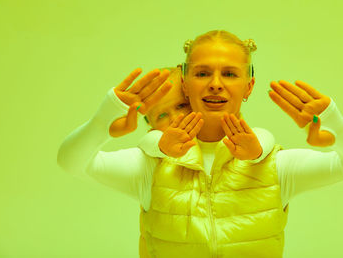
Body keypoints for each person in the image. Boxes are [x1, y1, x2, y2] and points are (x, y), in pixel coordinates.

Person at [135, 30, 343, 258]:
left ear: (248, 86)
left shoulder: (275, 163)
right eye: (202, 73)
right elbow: (117, 153)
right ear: (188, 87)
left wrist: (336, 127)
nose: (216, 84)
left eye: (229, 73)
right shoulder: (151, 166)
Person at [56, 65, 276, 256]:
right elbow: (70, 162)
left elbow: (266, 141)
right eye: (161, 116)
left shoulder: (253, 151)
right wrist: (103, 121)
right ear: (151, 128)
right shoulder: (149, 165)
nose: (175, 118)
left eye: (181, 105)